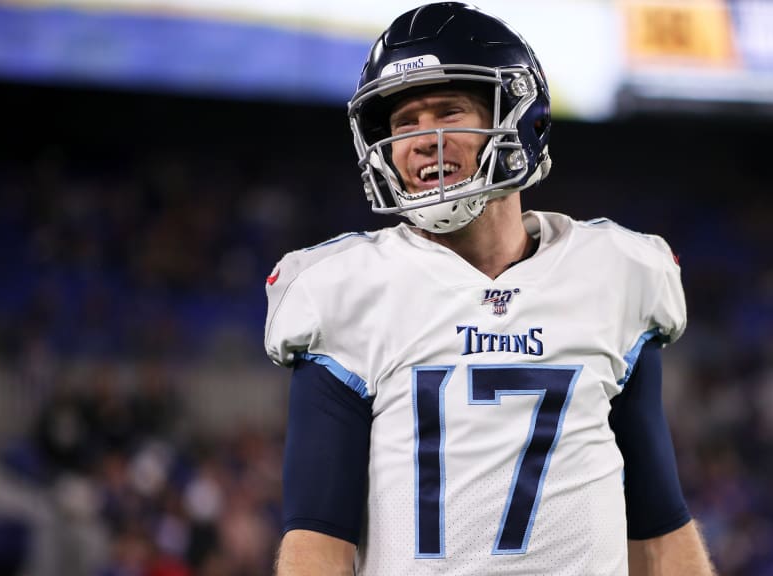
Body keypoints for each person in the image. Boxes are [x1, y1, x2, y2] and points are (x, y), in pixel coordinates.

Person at [264, 3, 716, 574]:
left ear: (520, 120)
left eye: (449, 113)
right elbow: (316, 541)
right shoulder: (346, 289)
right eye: (406, 124)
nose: (424, 140)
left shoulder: (614, 274)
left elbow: (658, 526)